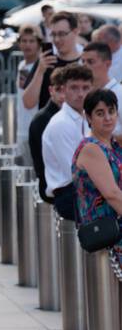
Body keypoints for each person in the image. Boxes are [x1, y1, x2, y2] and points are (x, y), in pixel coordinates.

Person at [73, 89, 122, 267]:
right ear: (89, 118)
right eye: (100, 113)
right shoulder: (91, 148)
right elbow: (112, 194)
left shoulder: (113, 144)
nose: (108, 117)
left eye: (111, 111)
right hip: (109, 235)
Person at [41, 62, 92, 219]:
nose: (80, 94)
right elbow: (75, 172)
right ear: (63, 89)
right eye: (74, 88)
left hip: (82, 191)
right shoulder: (61, 123)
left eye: (85, 88)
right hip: (69, 196)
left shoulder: (82, 117)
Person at [22, 10, 82, 111]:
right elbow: (28, 103)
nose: (57, 39)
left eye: (62, 34)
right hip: (47, 124)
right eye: (53, 35)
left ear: (75, 32)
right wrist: (40, 71)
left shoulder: (85, 62)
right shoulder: (46, 62)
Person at [29, 66, 66, 196]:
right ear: (51, 90)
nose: (63, 96)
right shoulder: (43, 120)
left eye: (66, 90)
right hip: (53, 187)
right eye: (58, 90)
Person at [15, 25, 41, 157]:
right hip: (22, 128)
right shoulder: (21, 65)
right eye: (24, 41)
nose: (27, 45)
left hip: (35, 127)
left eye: (31, 41)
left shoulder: (41, 67)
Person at [81, 41, 122, 120]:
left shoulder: (120, 93)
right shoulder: (82, 94)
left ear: (107, 64)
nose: (84, 66)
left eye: (90, 62)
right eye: (83, 61)